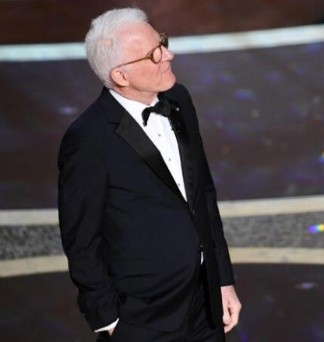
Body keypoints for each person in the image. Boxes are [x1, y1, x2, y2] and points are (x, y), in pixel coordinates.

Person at [58, 8, 241, 341]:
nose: (168, 55)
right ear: (121, 76)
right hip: (143, 318)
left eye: (163, 43)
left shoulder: (179, 99)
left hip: (205, 305)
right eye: (154, 53)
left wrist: (222, 279)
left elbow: (203, 195)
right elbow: (81, 239)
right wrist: (109, 320)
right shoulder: (88, 139)